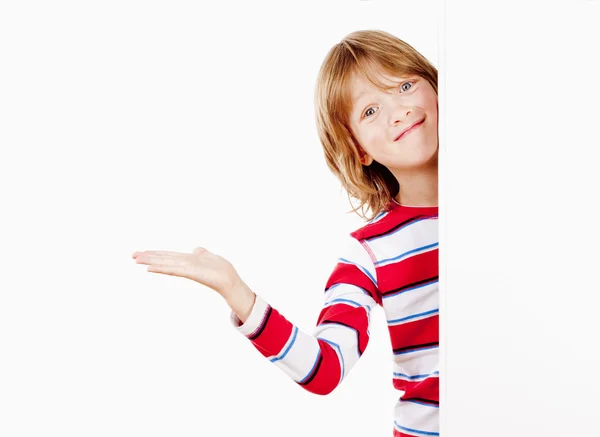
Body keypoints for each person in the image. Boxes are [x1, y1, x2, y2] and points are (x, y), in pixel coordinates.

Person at [132, 29, 439, 437]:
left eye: (404, 85)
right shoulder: (369, 253)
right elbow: (324, 369)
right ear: (360, 150)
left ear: (436, 88)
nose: (398, 111)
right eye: (369, 111)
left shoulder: (513, 206)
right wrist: (236, 290)